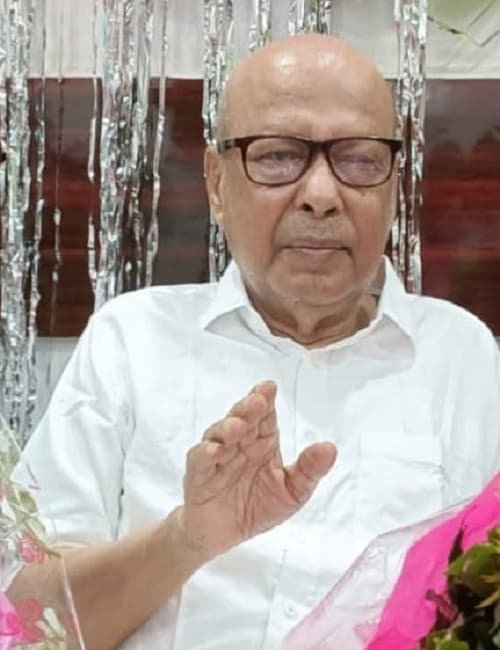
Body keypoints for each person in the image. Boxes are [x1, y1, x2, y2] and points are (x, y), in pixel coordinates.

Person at [12, 33, 500, 650]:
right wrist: (186, 539)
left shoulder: (461, 354)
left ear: (393, 186)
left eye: (359, 159)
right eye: (277, 157)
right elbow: (29, 621)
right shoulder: (131, 340)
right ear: (217, 183)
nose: (321, 196)